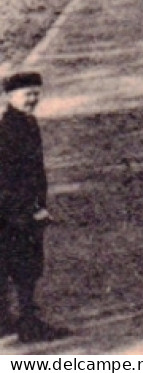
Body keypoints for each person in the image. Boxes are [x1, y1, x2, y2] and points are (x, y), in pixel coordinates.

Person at [0, 72, 65, 343]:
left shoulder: (25, 122)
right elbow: (11, 177)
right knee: (24, 266)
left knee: (11, 264)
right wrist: (31, 209)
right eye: (27, 94)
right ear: (10, 96)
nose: (33, 99)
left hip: (16, 208)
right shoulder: (10, 129)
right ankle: (28, 324)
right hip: (14, 211)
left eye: (36, 93)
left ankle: (5, 322)